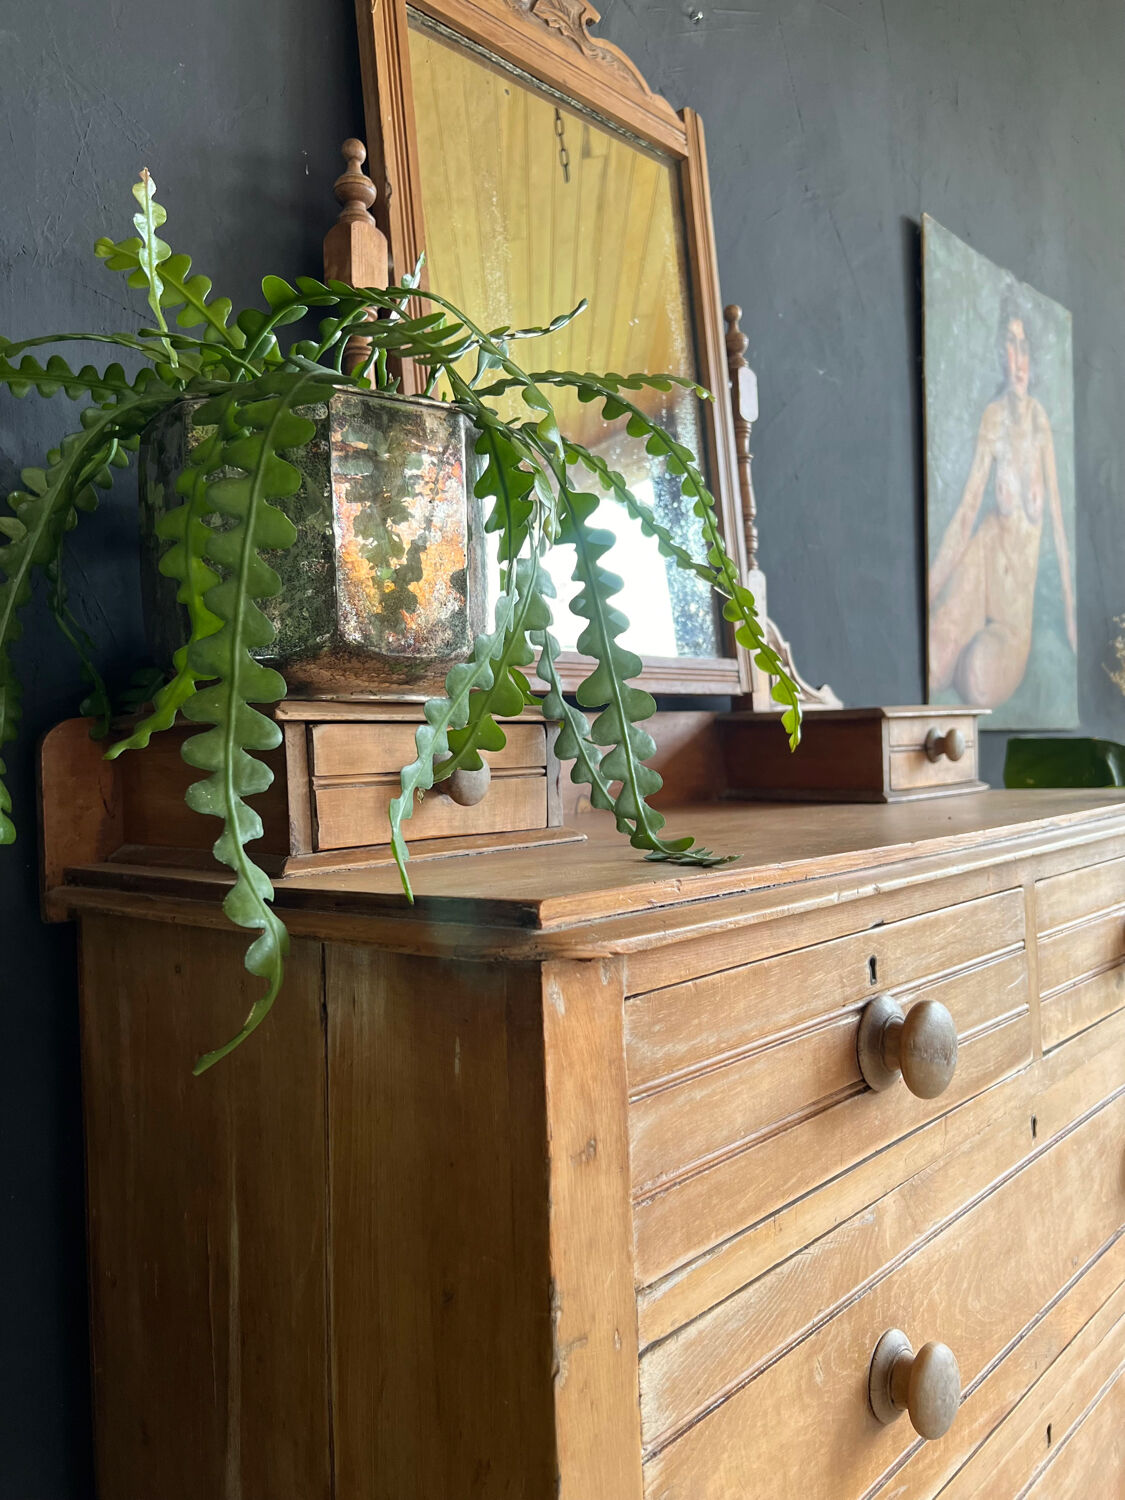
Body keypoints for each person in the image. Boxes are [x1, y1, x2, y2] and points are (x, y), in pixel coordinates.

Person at [928, 292, 1076, 706]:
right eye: (1010, 345)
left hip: (1013, 612)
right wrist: (928, 595)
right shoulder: (992, 417)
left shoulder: (1041, 425)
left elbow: (1060, 529)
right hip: (980, 570)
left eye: (1024, 347)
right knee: (933, 665)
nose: (1018, 359)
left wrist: (1070, 615)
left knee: (977, 680)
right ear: (1000, 353)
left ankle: (978, 645)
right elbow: (966, 515)